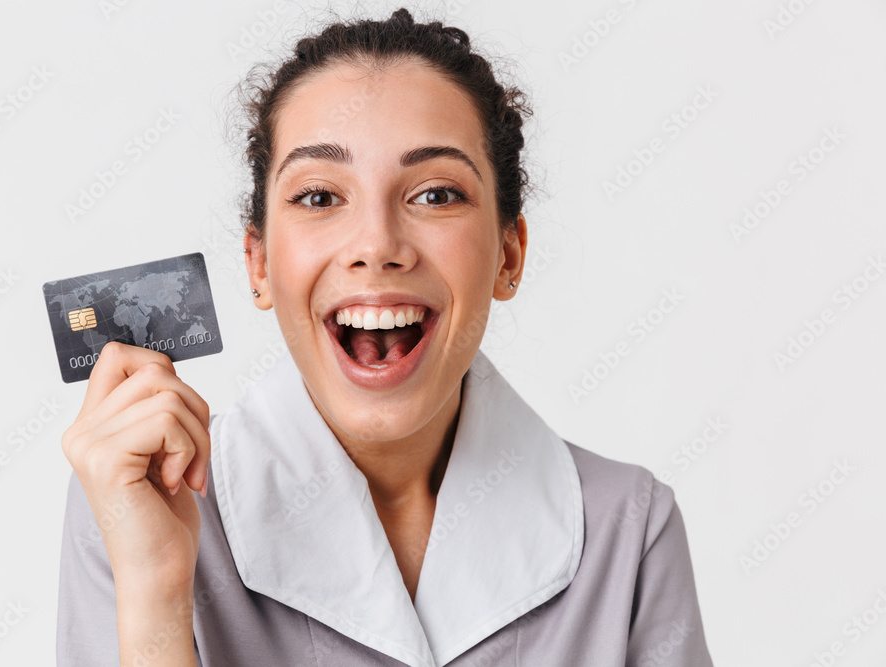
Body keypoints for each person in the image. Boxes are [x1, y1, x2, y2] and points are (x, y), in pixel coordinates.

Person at [56, 8, 713, 666]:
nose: (376, 245)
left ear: (508, 255)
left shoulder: (630, 532)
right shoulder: (133, 498)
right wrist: (155, 594)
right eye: (318, 197)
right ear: (258, 263)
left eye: (434, 195)